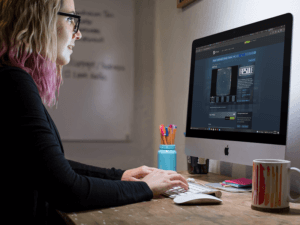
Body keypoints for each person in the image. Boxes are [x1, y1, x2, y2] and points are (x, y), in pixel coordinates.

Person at [0, 0, 189, 224]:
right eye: (71, 19)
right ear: (41, 19)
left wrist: (119, 176)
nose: (78, 34)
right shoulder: (14, 82)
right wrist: (145, 187)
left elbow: (49, 167)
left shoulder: (10, 77)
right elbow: (65, 189)